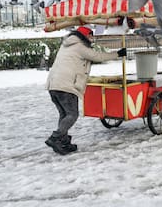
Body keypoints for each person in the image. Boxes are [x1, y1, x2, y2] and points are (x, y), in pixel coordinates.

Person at [45, 26, 127, 155]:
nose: (92, 38)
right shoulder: (80, 47)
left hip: (53, 85)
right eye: (90, 36)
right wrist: (118, 53)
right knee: (72, 115)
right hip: (66, 86)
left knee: (64, 115)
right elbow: (97, 56)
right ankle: (55, 138)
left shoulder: (67, 44)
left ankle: (64, 142)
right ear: (83, 36)